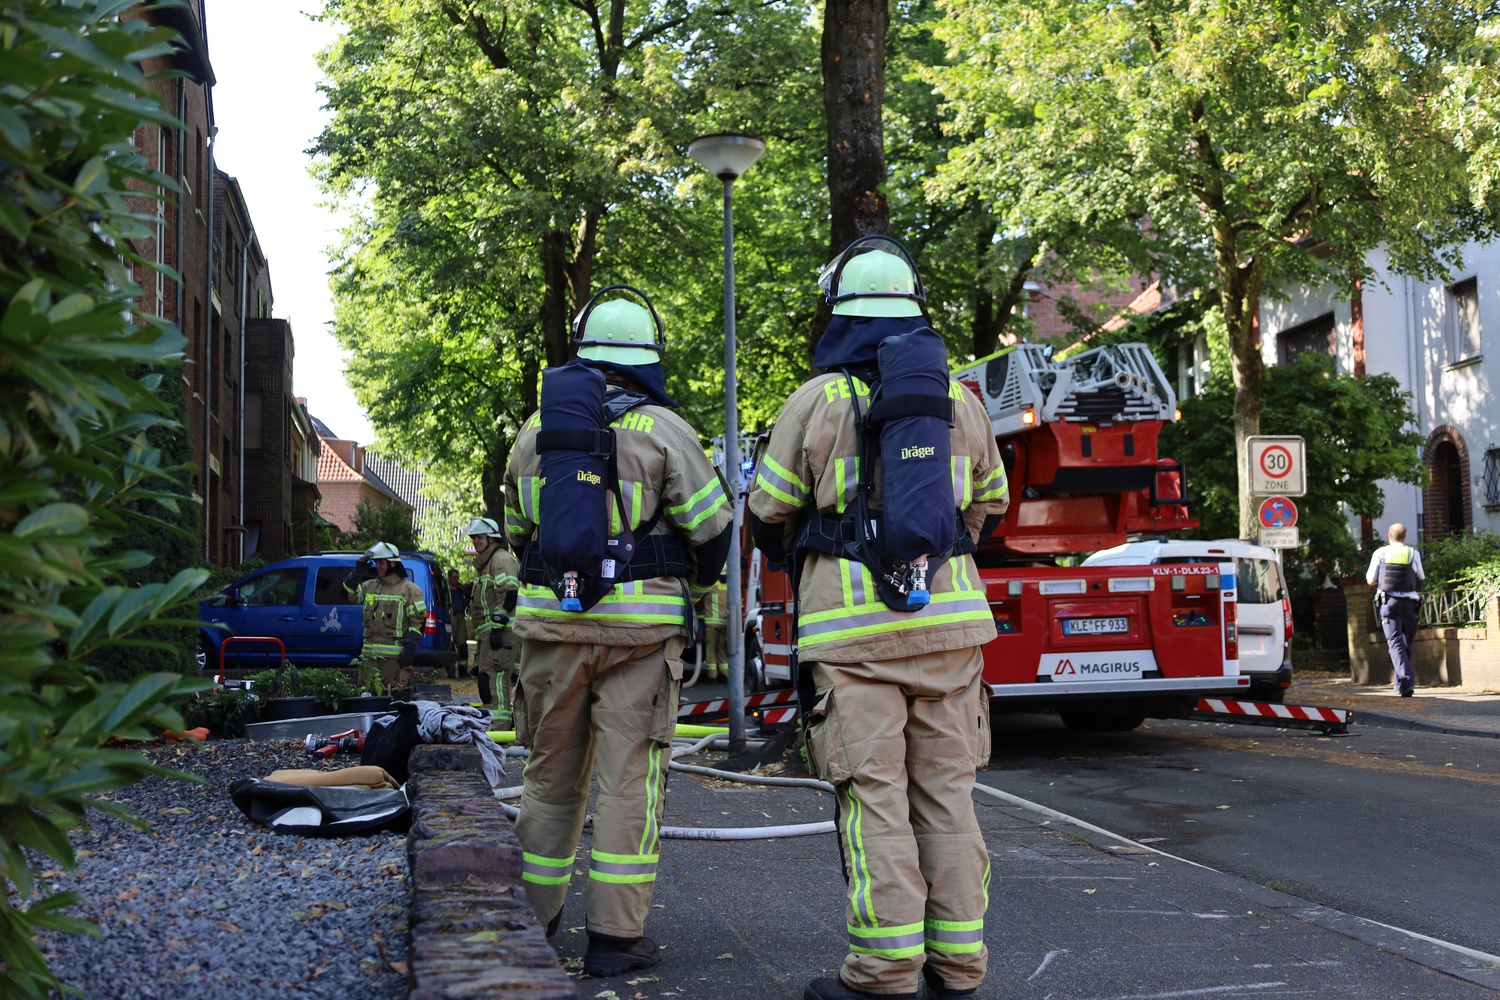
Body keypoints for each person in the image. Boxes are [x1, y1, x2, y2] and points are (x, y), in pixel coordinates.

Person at [747, 237, 1009, 1000]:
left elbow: (768, 511)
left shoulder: (818, 399)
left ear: (838, 310)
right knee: (949, 798)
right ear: (915, 307)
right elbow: (990, 506)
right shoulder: (960, 400)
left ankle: (885, 974)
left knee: (875, 800)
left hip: (853, 640)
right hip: (952, 634)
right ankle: (958, 969)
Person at [503, 285, 731, 978]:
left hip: (551, 632)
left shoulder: (535, 430)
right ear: (648, 355)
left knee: (549, 779)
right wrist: (687, 587)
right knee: (630, 782)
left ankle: (531, 925)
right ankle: (614, 939)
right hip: (640, 640)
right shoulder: (665, 429)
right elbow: (713, 533)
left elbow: (518, 534)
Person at [343, 541, 426, 696]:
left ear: (393, 564)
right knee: (366, 696)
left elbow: (417, 623)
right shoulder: (369, 586)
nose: (377, 566)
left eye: (381, 563)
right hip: (369, 658)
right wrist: (357, 572)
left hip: (393, 660)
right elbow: (349, 595)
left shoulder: (410, 590)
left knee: (392, 698)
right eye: (376, 563)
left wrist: (409, 648)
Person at [466, 516, 520, 716]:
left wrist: (497, 628)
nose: (475, 541)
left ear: (492, 539)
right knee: (487, 683)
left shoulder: (500, 560)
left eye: (480, 537)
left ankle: (498, 727)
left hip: (500, 634)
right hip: (490, 636)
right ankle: (495, 724)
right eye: (474, 538)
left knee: (494, 683)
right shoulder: (487, 563)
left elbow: (509, 594)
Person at [1367, 522, 1425, 697]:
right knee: (1406, 643)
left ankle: (1406, 680)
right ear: (1405, 537)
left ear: (1389, 536)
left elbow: (1370, 580)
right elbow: (1421, 576)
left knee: (1395, 643)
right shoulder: (1412, 553)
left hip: (1389, 603)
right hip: (1410, 605)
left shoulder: (1380, 553)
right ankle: (1402, 685)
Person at [700, 575, 730, 682]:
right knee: (722, 649)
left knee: (711, 649)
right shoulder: (730, 584)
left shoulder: (711, 583)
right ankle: (725, 674)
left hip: (711, 622)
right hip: (725, 622)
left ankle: (712, 676)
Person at [446, 568, 470, 679]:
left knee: (463, 646)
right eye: (454, 577)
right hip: (450, 618)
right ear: (449, 577)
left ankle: (463, 670)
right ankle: (450, 670)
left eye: (457, 577)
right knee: (450, 645)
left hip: (460, 618)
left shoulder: (461, 589)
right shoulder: (445, 590)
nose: (456, 580)